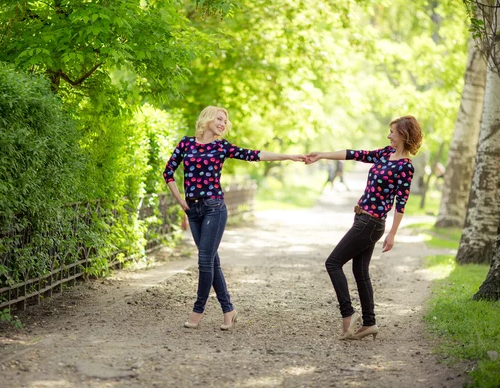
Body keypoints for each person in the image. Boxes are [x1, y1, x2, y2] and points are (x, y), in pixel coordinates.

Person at [163, 106, 306, 330]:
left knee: (204, 260)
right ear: (207, 118)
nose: (222, 123)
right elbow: (168, 172)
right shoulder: (186, 143)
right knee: (212, 261)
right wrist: (181, 202)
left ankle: (197, 311)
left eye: (225, 121)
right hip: (193, 210)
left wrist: (288, 156)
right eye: (219, 119)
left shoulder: (221, 147)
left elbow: (255, 155)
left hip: (214, 209)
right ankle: (228, 310)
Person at [306, 115, 423, 340]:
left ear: (404, 135)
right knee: (360, 272)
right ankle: (369, 323)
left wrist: (393, 234)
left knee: (332, 263)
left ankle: (348, 314)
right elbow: (354, 154)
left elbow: (401, 202)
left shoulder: (405, 167)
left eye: (393, 132)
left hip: (372, 223)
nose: (389, 135)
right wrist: (322, 155)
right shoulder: (384, 154)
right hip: (362, 219)